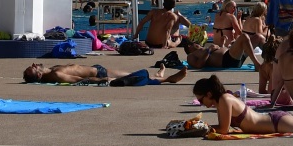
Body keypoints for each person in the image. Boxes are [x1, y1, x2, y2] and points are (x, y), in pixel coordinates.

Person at [23, 62, 186, 85]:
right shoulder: (56, 75)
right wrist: (104, 80)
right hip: (100, 74)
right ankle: (168, 79)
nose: (35, 64)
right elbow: (79, 79)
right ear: (39, 75)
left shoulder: (52, 69)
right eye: (34, 68)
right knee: (135, 77)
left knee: (132, 73)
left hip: (98, 68)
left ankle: (159, 75)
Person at [183, 33, 257, 70]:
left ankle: (264, 65)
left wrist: (222, 44)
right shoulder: (191, 55)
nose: (197, 43)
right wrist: (209, 50)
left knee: (258, 37)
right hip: (228, 60)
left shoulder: (203, 50)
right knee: (244, 36)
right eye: (194, 43)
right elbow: (198, 65)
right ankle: (257, 64)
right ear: (189, 46)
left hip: (234, 56)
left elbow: (219, 52)